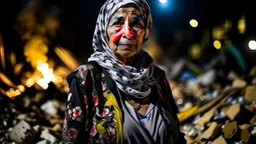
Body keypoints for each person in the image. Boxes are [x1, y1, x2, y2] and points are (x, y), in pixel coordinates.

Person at [62, 0, 186, 143]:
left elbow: (176, 136)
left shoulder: (156, 77)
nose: (128, 33)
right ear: (103, 29)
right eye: (117, 23)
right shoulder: (87, 76)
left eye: (136, 24)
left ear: (146, 31)